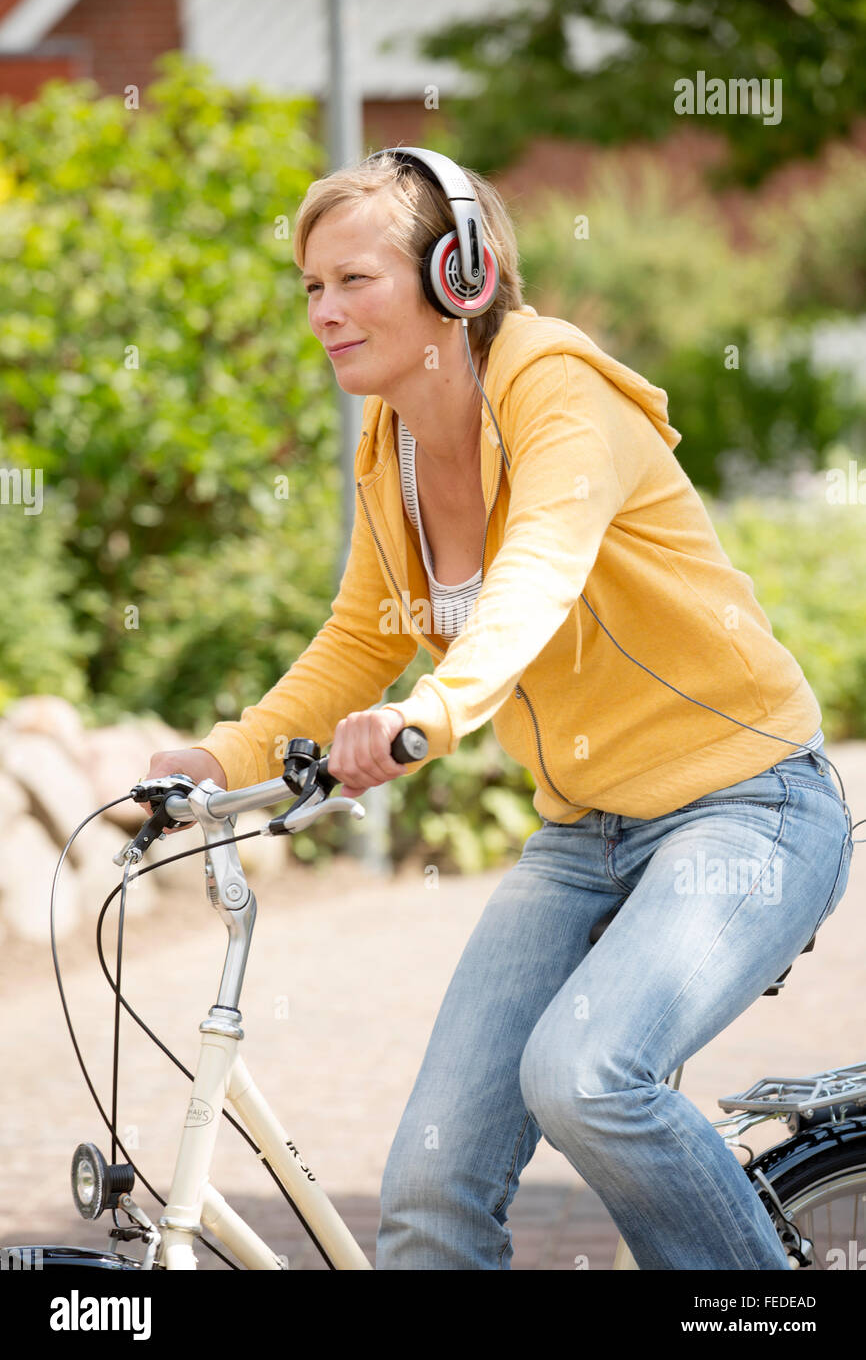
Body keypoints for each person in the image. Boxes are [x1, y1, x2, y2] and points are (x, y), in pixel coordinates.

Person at [141, 147, 854, 1270]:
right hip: (585, 834)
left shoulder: (556, 388)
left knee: (583, 1075)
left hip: (745, 808)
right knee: (430, 1184)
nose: (323, 312)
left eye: (353, 280)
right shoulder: (396, 447)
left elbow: (540, 572)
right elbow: (363, 631)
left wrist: (431, 712)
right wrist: (216, 757)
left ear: (458, 274)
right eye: (310, 288)